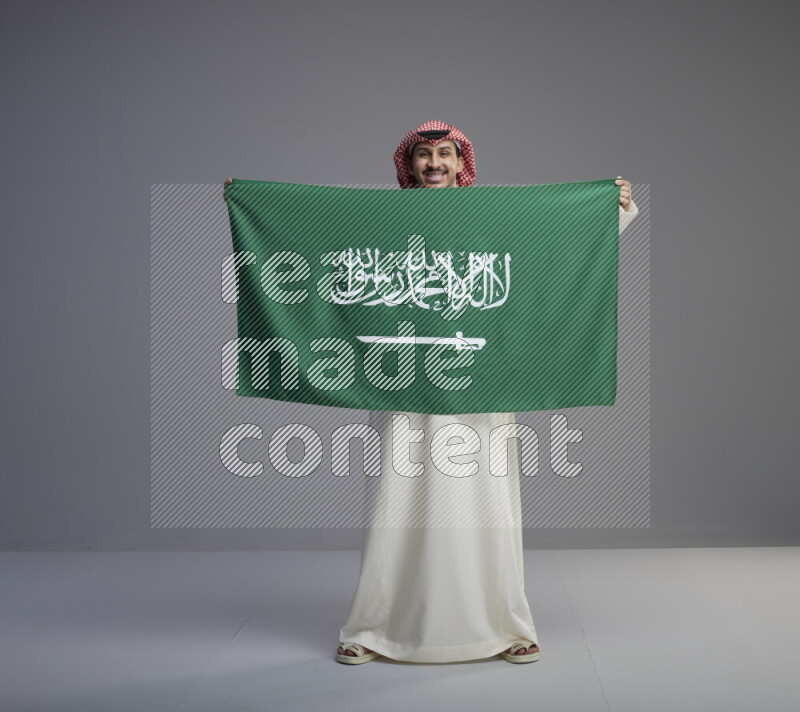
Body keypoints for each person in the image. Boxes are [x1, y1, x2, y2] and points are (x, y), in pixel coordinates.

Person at [223, 120, 638, 665]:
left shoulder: (493, 218)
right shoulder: (381, 225)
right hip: (400, 383)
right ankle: (373, 628)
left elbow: (556, 250)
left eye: (445, 153)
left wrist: (610, 209)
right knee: (395, 504)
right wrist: (252, 202)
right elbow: (313, 242)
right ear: (408, 165)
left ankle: (506, 625)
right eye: (424, 155)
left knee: (487, 505)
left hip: (481, 381)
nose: (434, 164)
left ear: (461, 163)